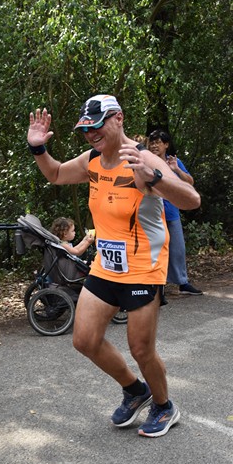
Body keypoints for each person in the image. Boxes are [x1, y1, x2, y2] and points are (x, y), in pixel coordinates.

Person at [27, 94, 201, 438]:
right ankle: (136, 391)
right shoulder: (93, 159)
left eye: (97, 125)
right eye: (85, 129)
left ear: (118, 118)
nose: (91, 134)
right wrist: (38, 149)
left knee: (140, 348)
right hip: (107, 266)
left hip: (143, 268)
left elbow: (191, 200)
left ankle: (165, 406)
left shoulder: (143, 156)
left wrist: (154, 177)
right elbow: (58, 174)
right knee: (85, 340)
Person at [148, 129, 203, 295]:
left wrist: (177, 170)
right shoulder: (146, 162)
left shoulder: (174, 162)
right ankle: (155, 285)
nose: (154, 145)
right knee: (154, 250)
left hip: (171, 212)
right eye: (152, 142)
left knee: (178, 249)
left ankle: (182, 282)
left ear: (166, 145)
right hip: (151, 215)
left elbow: (190, 182)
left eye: (158, 142)